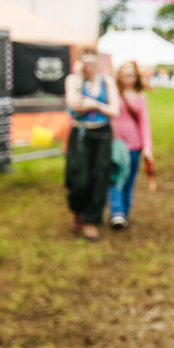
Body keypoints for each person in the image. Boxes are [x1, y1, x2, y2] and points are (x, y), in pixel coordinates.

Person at [64, 49, 120, 241]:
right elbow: (74, 104)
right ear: (81, 64)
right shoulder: (73, 80)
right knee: (79, 178)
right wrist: (79, 78)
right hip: (80, 132)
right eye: (86, 64)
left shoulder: (107, 81)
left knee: (100, 177)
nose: (91, 68)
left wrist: (95, 105)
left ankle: (91, 221)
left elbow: (115, 110)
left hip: (102, 133)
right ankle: (78, 210)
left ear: (99, 64)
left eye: (94, 63)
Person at [108, 61, 154, 229]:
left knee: (129, 179)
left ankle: (124, 211)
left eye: (131, 74)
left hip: (134, 145)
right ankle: (116, 211)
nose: (128, 77)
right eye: (125, 73)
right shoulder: (113, 93)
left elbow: (144, 123)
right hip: (115, 144)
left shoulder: (140, 97)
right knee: (114, 176)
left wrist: (147, 147)